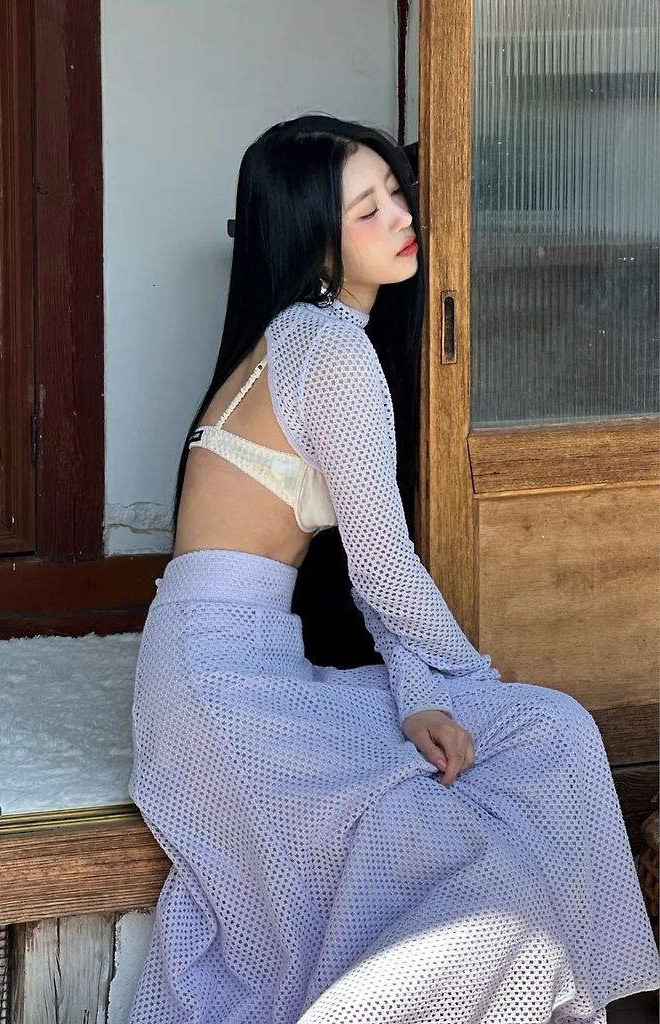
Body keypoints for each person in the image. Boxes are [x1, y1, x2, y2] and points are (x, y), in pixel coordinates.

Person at [126, 114, 660, 1024]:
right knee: (491, 796)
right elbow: (381, 566)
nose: (401, 217)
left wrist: (424, 692)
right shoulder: (330, 347)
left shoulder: (297, 335)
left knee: (548, 733)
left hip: (219, 663)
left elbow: (371, 573)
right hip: (223, 693)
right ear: (317, 241)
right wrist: (460, 679)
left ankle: (580, 991)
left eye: (395, 193)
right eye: (366, 209)